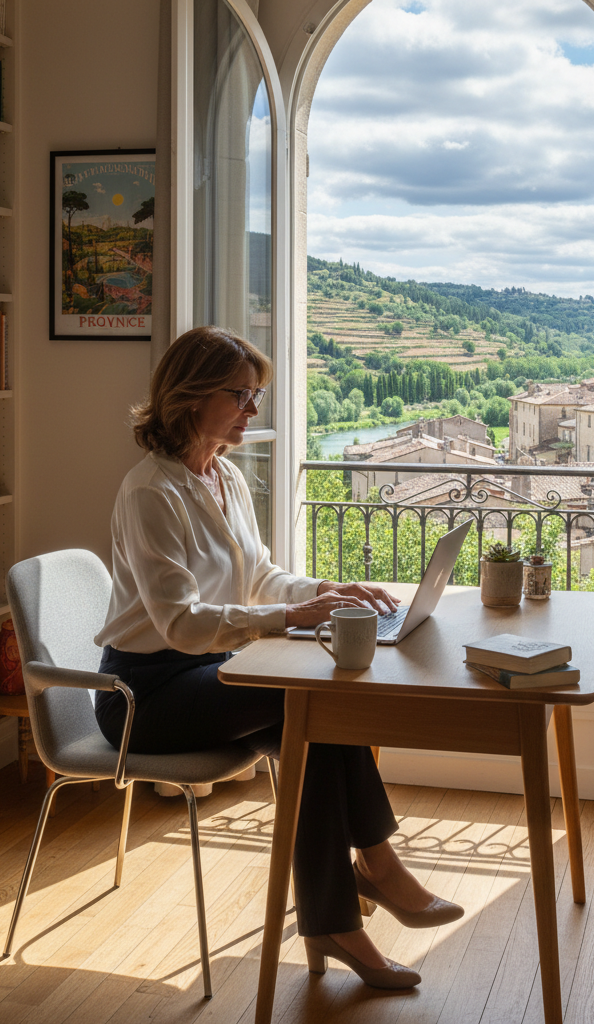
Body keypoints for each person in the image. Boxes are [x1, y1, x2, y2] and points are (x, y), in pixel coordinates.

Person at [94, 325, 463, 990]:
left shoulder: (226, 477)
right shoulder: (150, 491)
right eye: (241, 395)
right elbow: (178, 623)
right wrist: (289, 618)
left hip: (213, 672)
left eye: (255, 395)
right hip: (145, 695)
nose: (252, 410)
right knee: (315, 703)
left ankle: (336, 919)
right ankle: (377, 869)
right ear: (190, 396)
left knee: (319, 726)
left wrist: (322, 590)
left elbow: (259, 576)